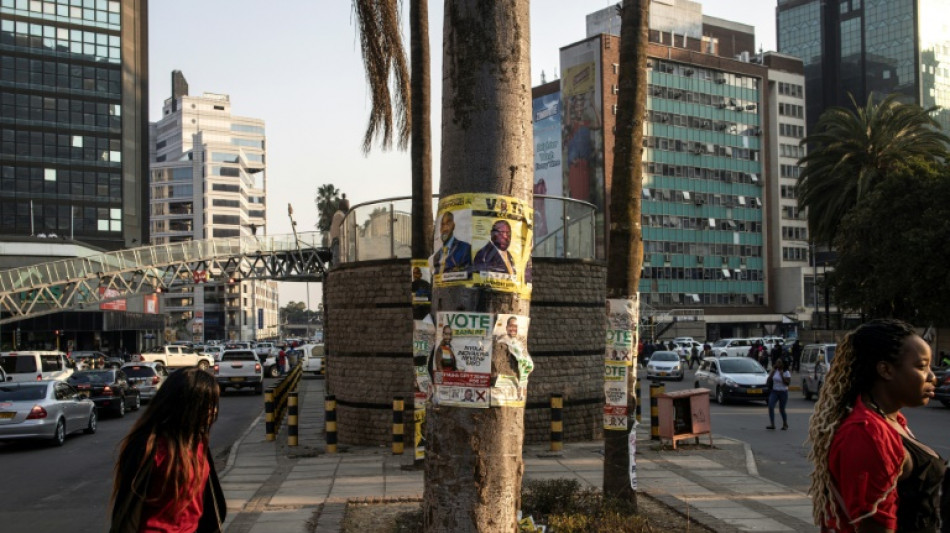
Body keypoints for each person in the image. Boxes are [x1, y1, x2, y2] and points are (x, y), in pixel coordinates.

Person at [808, 319, 946, 533]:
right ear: (886, 370)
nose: (932, 377)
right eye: (921, 366)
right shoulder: (868, 433)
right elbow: (874, 525)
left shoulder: (892, 420)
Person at [110, 367, 225, 532]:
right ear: (187, 404)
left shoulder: (197, 441)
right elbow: (127, 509)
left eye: (214, 404)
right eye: (207, 405)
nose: (213, 411)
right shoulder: (149, 446)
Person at [766, 358, 791, 430]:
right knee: (771, 406)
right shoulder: (775, 371)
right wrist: (772, 372)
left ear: (783, 364)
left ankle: (785, 423)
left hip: (783, 392)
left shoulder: (786, 372)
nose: (777, 364)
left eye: (779, 362)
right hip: (774, 391)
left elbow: (787, 383)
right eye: (777, 362)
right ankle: (772, 424)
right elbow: (769, 380)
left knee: (782, 409)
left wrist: (782, 375)